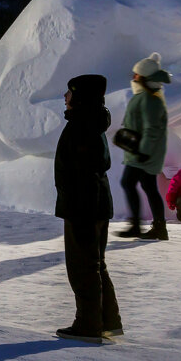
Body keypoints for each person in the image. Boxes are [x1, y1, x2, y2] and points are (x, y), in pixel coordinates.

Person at [54, 74, 122, 343]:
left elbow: (80, 169)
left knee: (83, 266)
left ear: (80, 97)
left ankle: (88, 324)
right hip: (95, 202)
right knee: (95, 263)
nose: (65, 96)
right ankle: (108, 321)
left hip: (82, 205)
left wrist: (71, 199)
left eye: (69, 92)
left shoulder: (82, 124)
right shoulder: (91, 121)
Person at [116, 52, 170, 241]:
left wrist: (142, 152)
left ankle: (137, 227)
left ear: (144, 77)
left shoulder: (150, 99)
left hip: (143, 153)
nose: (133, 77)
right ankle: (159, 228)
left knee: (128, 183)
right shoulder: (147, 96)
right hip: (143, 151)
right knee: (149, 186)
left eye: (136, 74)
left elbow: (152, 129)